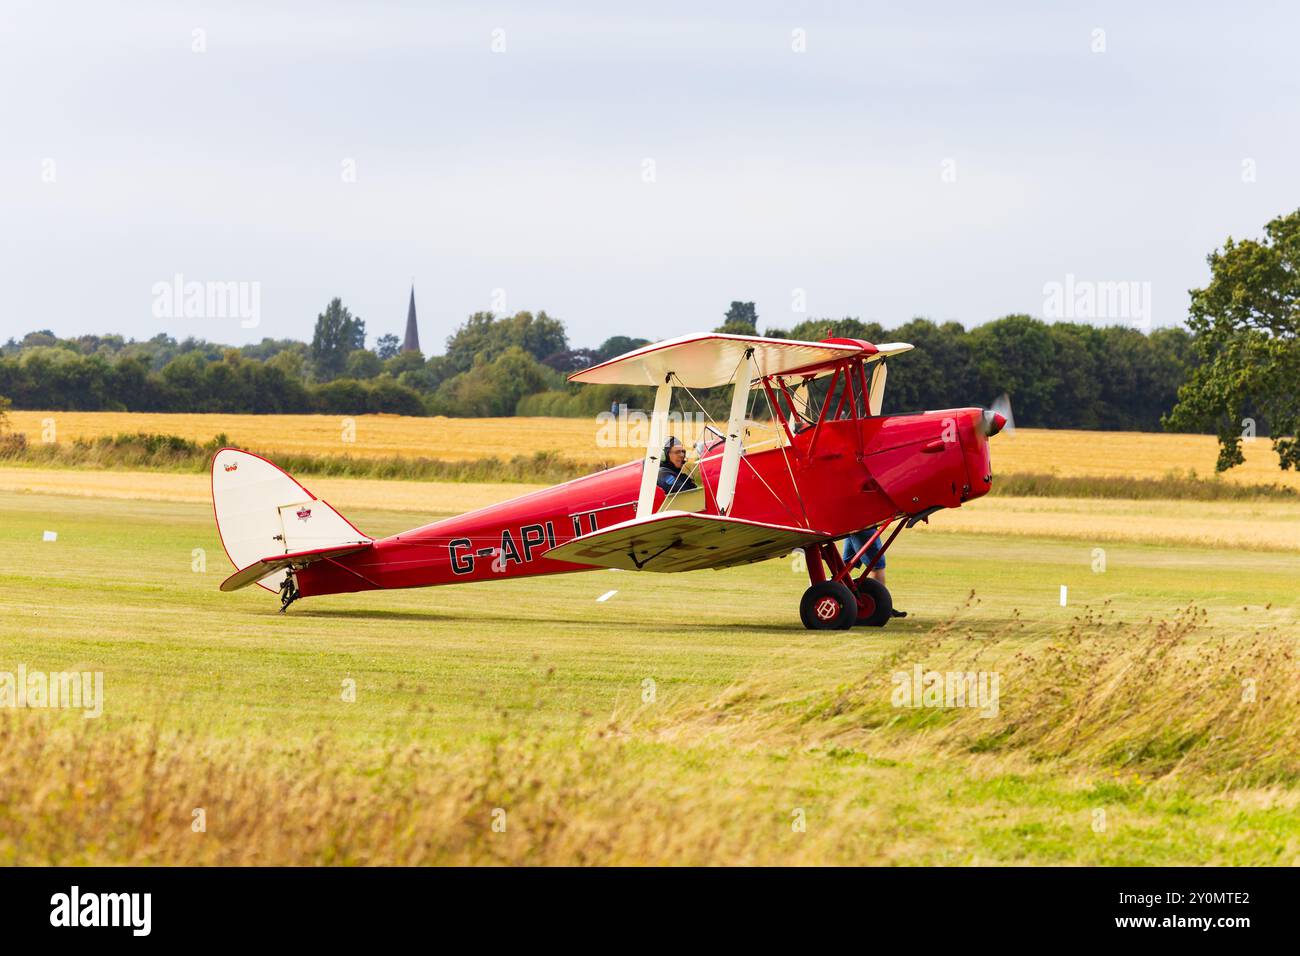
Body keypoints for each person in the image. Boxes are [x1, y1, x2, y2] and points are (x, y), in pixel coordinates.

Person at [842, 528, 907, 618]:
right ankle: (881, 607)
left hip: (854, 523)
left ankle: (835, 597)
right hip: (863, 524)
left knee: (845, 566)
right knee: (877, 565)